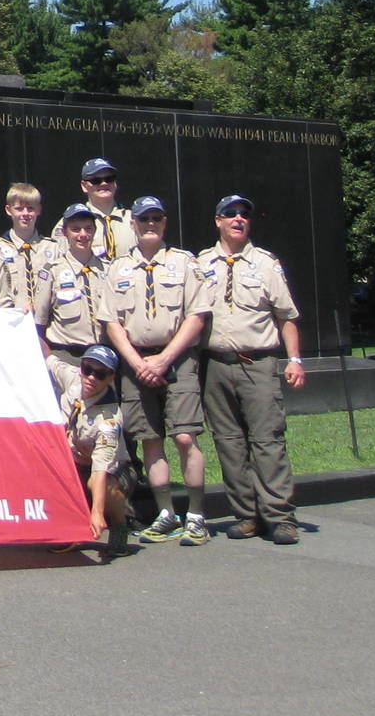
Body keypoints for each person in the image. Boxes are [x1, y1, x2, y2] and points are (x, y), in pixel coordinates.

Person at [104, 196, 211, 546]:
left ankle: (195, 515)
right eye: (143, 219)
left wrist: (164, 359)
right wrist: (137, 363)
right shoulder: (117, 268)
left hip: (177, 360)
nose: (150, 223)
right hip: (135, 364)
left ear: (165, 223)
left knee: (184, 436)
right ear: (132, 224)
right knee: (150, 440)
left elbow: (197, 316)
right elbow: (112, 323)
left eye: (157, 218)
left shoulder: (185, 263)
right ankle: (166, 514)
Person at [198, 194, 304, 545]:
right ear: (218, 221)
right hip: (215, 366)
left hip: (257, 364)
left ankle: (280, 516)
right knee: (228, 443)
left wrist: (295, 360)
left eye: (244, 214)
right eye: (231, 214)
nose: (238, 219)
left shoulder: (265, 264)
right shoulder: (201, 264)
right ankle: (246, 515)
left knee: (267, 441)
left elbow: (286, 317)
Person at [54, 345, 133, 559]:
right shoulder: (73, 378)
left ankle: (119, 526)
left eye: (100, 374)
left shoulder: (108, 419)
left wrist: (97, 513)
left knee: (101, 485)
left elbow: (100, 471)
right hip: (74, 461)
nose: (91, 377)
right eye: (87, 369)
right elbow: (48, 357)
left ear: (110, 378)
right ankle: (70, 528)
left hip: (111, 471)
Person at [39, 202, 114, 395]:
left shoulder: (108, 269)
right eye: (75, 229)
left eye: (88, 229)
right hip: (67, 357)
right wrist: (51, 361)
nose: (82, 234)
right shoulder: (52, 271)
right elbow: (39, 324)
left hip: (102, 357)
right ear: (64, 232)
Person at [0, 181, 55, 315]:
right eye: (19, 209)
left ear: (39, 210)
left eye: (31, 208)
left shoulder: (53, 249)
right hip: (13, 323)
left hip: (47, 325)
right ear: (8, 210)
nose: (25, 214)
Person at [52, 158, 130, 261]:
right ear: (84, 186)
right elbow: (60, 264)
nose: (104, 183)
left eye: (109, 179)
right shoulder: (68, 223)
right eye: (96, 180)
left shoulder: (135, 220)